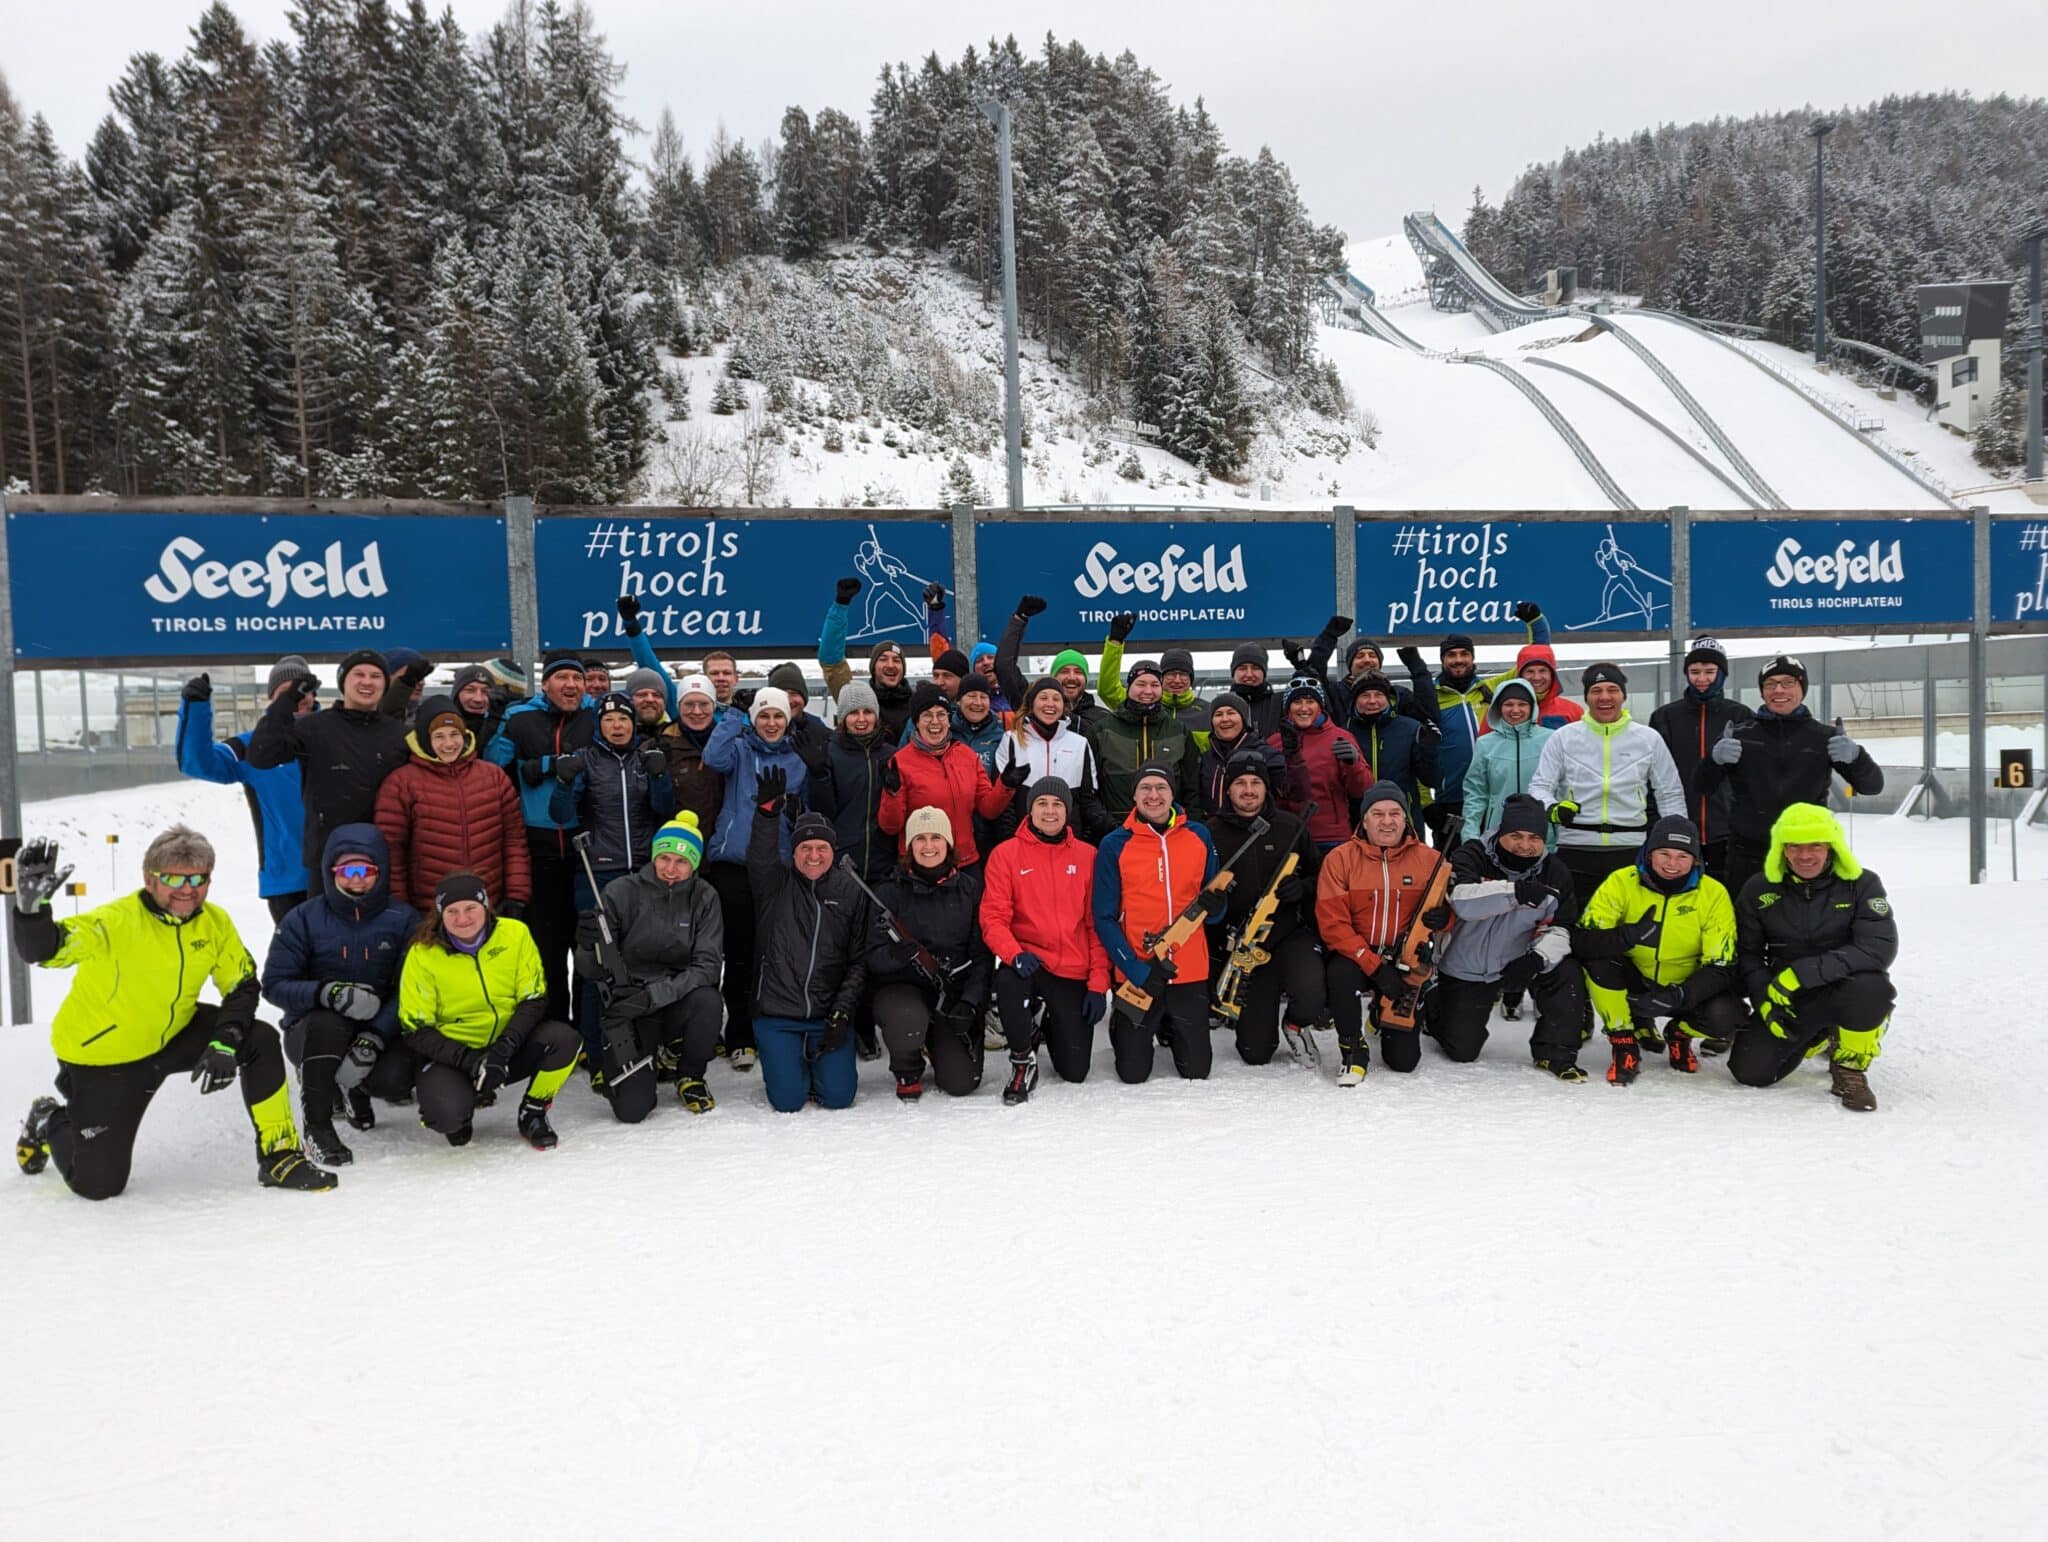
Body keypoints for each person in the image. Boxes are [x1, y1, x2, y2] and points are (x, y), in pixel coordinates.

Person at [11, 827, 335, 1196]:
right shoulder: (114, 923)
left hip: (175, 1032)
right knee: (98, 1186)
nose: (187, 889)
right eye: (173, 879)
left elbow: (241, 986)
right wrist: (31, 911)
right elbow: (45, 951)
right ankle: (50, 1119)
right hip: (105, 1057)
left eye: (199, 878)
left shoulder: (214, 922)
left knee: (258, 1037)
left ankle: (280, 1156)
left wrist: (224, 1043)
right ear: (149, 880)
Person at [261, 824, 421, 1163]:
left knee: (395, 1079)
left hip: (377, 1027)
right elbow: (274, 984)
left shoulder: (403, 919)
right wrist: (327, 993)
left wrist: (375, 1037)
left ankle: (355, 1087)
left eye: (367, 870)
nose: (358, 879)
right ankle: (317, 1126)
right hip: (312, 1030)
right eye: (348, 870)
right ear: (332, 871)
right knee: (327, 1024)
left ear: (381, 871)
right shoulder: (303, 918)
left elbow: (412, 987)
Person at [1729, 802, 1896, 1112]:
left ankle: (1849, 1067)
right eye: (1794, 846)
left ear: (1831, 845)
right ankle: (1820, 1033)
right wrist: (1765, 998)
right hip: (1787, 996)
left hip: (1845, 986)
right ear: (1782, 848)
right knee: (1751, 1072)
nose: (1805, 856)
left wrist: (1802, 973)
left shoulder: (1861, 884)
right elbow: (1747, 954)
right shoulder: (1759, 889)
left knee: (1872, 990)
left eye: (1815, 845)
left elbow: (1878, 947)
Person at [398, 872, 580, 1149]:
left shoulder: (514, 934)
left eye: (471, 908)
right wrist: (471, 1061)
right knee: (447, 1118)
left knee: (564, 1039)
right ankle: (461, 1108)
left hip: (508, 1045)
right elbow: (415, 1028)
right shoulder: (423, 954)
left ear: (485, 906)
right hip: (454, 1055)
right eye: (452, 911)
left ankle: (533, 1110)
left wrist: (503, 1049)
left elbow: (533, 998)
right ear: (439, 915)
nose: (463, 919)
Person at [552, 691, 678, 1072]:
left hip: (643, 871)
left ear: (633, 723)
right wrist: (563, 782)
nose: (618, 726)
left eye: (624, 719)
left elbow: (665, 811)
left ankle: (645, 1041)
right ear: (599, 726)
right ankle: (592, 1045)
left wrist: (659, 776)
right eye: (609, 720)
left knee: (645, 960)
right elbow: (561, 814)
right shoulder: (586, 760)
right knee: (596, 965)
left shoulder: (645, 757)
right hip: (598, 874)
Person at [1572, 815, 1747, 1084]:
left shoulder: (1713, 894)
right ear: (1648, 853)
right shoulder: (1621, 881)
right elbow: (1584, 940)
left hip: (1685, 985)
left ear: (1695, 860)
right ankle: (1624, 1043)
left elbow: (1721, 965)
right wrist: (1627, 936)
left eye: (1682, 856)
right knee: (1600, 962)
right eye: (1663, 853)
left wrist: (1680, 995)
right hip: (1634, 980)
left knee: (1726, 1015)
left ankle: (1679, 1034)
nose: (1672, 864)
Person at [1692, 654, 1884, 898]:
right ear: (1762, 692)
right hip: (1749, 855)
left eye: (1788, 683)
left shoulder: (1824, 737)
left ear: (1802, 688)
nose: (1778, 690)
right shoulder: (1740, 737)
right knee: (1747, 927)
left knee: (1807, 927)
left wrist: (1857, 757)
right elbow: (1702, 786)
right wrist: (1713, 760)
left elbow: (1872, 785)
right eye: (1770, 685)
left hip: (1807, 856)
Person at [578, 814, 726, 1121]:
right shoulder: (621, 891)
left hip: (676, 997)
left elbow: (708, 967)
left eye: (681, 861)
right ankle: (652, 1058)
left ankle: (690, 1074)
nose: (671, 869)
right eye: (664, 858)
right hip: (630, 1003)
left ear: (694, 864)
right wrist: (585, 945)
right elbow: (590, 968)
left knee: (709, 1000)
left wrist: (655, 996)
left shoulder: (705, 897)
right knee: (632, 1110)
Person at [746, 766, 873, 1112]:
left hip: (826, 1015)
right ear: (794, 850)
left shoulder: (850, 891)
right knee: (788, 1101)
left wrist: (842, 1015)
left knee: (838, 1097)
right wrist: (767, 815)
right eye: (805, 847)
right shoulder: (775, 884)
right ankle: (789, 1063)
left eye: (821, 848)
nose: (813, 855)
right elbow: (759, 856)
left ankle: (818, 1064)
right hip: (777, 1013)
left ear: (833, 851)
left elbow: (858, 960)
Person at [1433, 794, 1586, 1077]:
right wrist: (1514, 893)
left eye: (1534, 838)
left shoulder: (1555, 872)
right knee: (1462, 1051)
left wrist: (1537, 960)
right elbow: (1462, 901)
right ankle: (1433, 1003)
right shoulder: (1471, 855)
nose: (1525, 846)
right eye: (1516, 835)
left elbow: (1560, 927)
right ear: (1501, 832)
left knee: (1566, 971)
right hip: (1468, 966)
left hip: (1520, 959)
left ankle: (1555, 1052)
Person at [980, 776, 1110, 1102]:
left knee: (1075, 1071)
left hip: (1071, 967)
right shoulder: (1005, 855)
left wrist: (1097, 984)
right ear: (1029, 810)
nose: (1049, 812)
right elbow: (993, 918)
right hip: (1029, 961)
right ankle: (1023, 1060)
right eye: (1042, 804)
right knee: (1008, 980)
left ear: (1067, 812)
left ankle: (1043, 1025)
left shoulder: (1088, 856)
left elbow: (1097, 926)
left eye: (1057, 805)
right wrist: (1013, 954)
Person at [702, 685, 811, 1070]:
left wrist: (797, 816)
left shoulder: (797, 758)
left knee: (773, 951)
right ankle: (740, 1035)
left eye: (778, 716)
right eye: (764, 715)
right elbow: (712, 757)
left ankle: (773, 1027)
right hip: (733, 862)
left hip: (777, 865)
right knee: (739, 953)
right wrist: (733, 712)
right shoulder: (740, 750)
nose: (770, 722)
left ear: (787, 720)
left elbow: (809, 807)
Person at [1094, 761, 1224, 1083]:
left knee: (1197, 1070)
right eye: (1146, 788)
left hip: (1189, 968)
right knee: (1132, 1073)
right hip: (1139, 970)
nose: (1154, 795)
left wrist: (1218, 906)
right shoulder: (1114, 844)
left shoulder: (1198, 835)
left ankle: (1170, 1023)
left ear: (1172, 793)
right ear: (1134, 796)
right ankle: (1128, 1023)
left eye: (1161, 787)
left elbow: (1216, 910)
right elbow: (1104, 918)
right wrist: (1137, 971)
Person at [483, 650, 596, 1020]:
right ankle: (555, 1027)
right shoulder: (520, 718)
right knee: (547, 948)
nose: (570, 685)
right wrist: (544, 765)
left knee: (588, 947)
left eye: (577, 678)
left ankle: (587, 1029)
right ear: (545, 684)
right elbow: (492, 769)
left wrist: (543, 766)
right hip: (537, 848)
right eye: (562, 678)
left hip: (586, 849)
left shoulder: (597, 714)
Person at [1316, 784, 1448, 1084]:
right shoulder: (1340, 859)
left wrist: (1445, 918)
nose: (1387, 821)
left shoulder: (1430, 860)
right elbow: (1332, 924)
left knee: (1404, 1062)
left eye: (1394, 813)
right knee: (1340, 975)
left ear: (1406, 819)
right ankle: (1352, 1049)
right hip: (1355, 953)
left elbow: (1449, 914)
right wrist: (1374, 966)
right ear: (1364, 820)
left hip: (1403, 959)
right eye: (1377, 814)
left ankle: (1378, 1015)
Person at [1206, 749, 1328, 1067]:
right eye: (1241, 783)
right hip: (1243, 945)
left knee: (1314, 994)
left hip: (1289, 934)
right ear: (1228, 789)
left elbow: (1321, 875)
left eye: (1256, 782)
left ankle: (1296, 1023)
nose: (1249, 790)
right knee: (1255, 1052)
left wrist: (1302, 888)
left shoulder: (1291, 826)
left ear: (1265, 787)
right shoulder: (1210, 833)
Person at [246, 647, 412, 877]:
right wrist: (286, 701)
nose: (367, 682)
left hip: (383, 859)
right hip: (327, 860)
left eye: (376, 676)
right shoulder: (312, 727)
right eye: (359, 674)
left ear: (385, 685)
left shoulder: (399, 734)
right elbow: (262, 756)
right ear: (343, 682)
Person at [1528, 663, 1686, 897]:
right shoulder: (1564, 737)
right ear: (1586, 697)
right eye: (1596, 690)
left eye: (1612, 689)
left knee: (1630, 927)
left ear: (1623, 695)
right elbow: (1539, 787)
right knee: (1576, 923)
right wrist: (1552, 808)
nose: (1604, 697)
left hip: (1631, 848)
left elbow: (1670, 794)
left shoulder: (1648, 739)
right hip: (1575, 848)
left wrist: (1679, 842)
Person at [867, 806, 992, 1100]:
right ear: (909, 846)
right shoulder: (888, 893)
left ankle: (939, 1042)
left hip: (952, 991)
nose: (928, 846)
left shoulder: (970, 889)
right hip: (903, 989)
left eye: (936, 837)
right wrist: (894, 956)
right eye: (920, 838)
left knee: (962, 1083)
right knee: (907, 1019)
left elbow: (982, 955)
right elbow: (871, 955)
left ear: (948, 843)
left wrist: (971, 1003)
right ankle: (907, 1066)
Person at [176, 659, 313, 922]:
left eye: (303, 688)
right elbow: (199, 763)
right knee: (297, 959)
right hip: (287, 880)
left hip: (345, 874)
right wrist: (196, 708)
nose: (298, 696)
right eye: (287, 691)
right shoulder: (253, 745)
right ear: (272, 698)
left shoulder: (333, 734)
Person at [374, 695, 531, 917]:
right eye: (439, 736)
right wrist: (400, 905)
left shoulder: (493, 776)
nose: (449, 744)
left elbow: (514, 839)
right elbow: (392, 851)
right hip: (430, 909)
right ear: (425, 739)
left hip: (488, 902)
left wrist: (517, 895)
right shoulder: (401, 783)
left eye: (454, 734)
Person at [1648, 636, 1752, 879]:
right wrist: (1656, 821)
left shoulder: (1741, 715)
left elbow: (1753, 774)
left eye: (1709, 671)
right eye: (1695, 671)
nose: (1702, 679)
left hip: (1727, 830)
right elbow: (1652, 775)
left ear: (1722, 673)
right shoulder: (1665, 717)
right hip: (1678, 827)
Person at [880, 684, 1013, 871]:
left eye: (941, 715)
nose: (935, 721)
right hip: (921, 864)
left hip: (965, 862)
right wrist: (891, 794)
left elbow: (987, 809)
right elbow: (891, 827)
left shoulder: (967, 756)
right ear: (916, 722)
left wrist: (1006, 785)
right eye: (927, 715)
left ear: (949, 720)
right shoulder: (900, 762)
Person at [991, 677, 1110, 839]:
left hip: (1068, 842)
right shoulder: (1012, 740)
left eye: (1056, 699)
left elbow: (1088, 800)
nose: (1050, 704)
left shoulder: (1080, 744)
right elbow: (1005, 804)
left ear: (1063, 705)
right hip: (1024, 841)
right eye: (1043, 697)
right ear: (1032, 704)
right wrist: (1011, 840)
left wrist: (1104, 832)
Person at [1089, 658, 1204, 819]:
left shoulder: (1178, 731)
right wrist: (1103, 824)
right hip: (1116, 830)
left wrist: (1192, 825)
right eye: (1141, 684)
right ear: (1129, 687)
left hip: (1168, 830)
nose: (1148, 691)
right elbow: (1089, 789)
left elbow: (1193, 788)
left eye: (1155, 685)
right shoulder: (1102, 731)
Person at [807, 679, 898, 881]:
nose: (861, 719)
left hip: (883, 862)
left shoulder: (890, 755)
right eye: (853, 713)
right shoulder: (829, 753)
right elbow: (824, 811)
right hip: (842, 860)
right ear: (843, 717)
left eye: (867, 712)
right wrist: (819, 776)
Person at [1270, 676, 1370, 850]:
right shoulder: (1275, 742)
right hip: (1288, 835)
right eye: (1297, 702)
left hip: (1332, 836)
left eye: (1310, 701)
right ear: (1288, 708)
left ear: (1320, 706)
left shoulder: (1340, 737)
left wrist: (1353, 764)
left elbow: (1363, 789)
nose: (1304, 708)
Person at [991, 595, 1110, 735]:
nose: (1071, 677)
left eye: (1078, 672)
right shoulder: (1031, 704)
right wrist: (1019, 620)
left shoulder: (1102, 718)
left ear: (1086, 679)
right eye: (1064, 671)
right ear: (1053, 677)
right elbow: (1004, 668)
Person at [1459, 679, 1555, 844]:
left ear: (1532, 707)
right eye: (1508, 704)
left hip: (1543, 835)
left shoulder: (1551, 739)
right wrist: (1470, 835)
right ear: (1498, 707)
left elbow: (1563, 788)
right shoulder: (1485, 744)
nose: (1515, 710)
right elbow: (1476, 793)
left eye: (1522, 704)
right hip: (1498, 833)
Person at [821, 576, 917, 740]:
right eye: (883, 659)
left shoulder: (918, 703)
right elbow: (831, 661)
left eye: (896, 660)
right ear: (873, 667)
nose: (890, 665)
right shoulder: (856, 697)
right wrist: (840, 605)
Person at [1424, 632, 1493, 850]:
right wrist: (1427, 805)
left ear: (1472, 658)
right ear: (1443, 660)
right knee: (1451, 871)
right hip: (1450, 800)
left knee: (1494, 871)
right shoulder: (1430, 698)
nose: (1458, 660)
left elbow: (1534, 664)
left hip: (1492, 798)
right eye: (1451, 655)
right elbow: (1417, 754)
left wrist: (1535, 622)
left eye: (1464, 654)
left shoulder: (1491, 689)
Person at [1098, 617, 1210, 746]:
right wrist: (1115, 643)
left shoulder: (1210, 711)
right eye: (1171, 674)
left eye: (1183, 674)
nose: (1177, 680)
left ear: (1191, 679)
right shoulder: (1142, 703)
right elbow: (1108, 690)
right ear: (1161, 679)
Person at [1345, 670, 1437, 811]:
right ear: (1355, 699)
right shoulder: (1344, 731)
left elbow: (1431, 779)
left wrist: (1428, 749)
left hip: (1404, 816)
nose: (1372, 701)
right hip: (1357, 817)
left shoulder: (1411, 728)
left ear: (1388, 698)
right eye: (1365, 695)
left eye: (1378, 695)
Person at [1196, 692, 1295, 817]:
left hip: (1254, 829)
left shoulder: (1264, 753)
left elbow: (1291, 790)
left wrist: (1293, 758)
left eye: (1231, 713)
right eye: (1218, 714)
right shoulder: (1205, 758)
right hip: (1213, 830)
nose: (1225, 719)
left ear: (1243, 719)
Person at [653, 673, 725, 835]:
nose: (697, 711)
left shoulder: (732, 743)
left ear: (714, 705)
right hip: (679, 847)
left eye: (704, 704)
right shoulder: (660, 746)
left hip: (722, 847)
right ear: (679, 707)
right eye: (689, 704)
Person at [1509, 642, 1583, 728]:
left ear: (1552, 674)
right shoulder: (1503, 712)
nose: (1537, 677)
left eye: (1542, 671)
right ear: (1520, 675)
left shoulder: (1573, 711)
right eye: (1530, 671)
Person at [1225, 642, 1287, 740]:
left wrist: (1302, 667)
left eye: (1256, 668)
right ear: (1233, 673)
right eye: (1242, 668)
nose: (1249, 674)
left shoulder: (1281, 703)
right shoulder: (1222, 707)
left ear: (1264, 673)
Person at [448, 662, 511, 748]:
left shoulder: (503, 723)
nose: (478, 699)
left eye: (485, 691)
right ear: (456, 694)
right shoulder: (441, 723)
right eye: (470, 690)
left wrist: (495, 719)